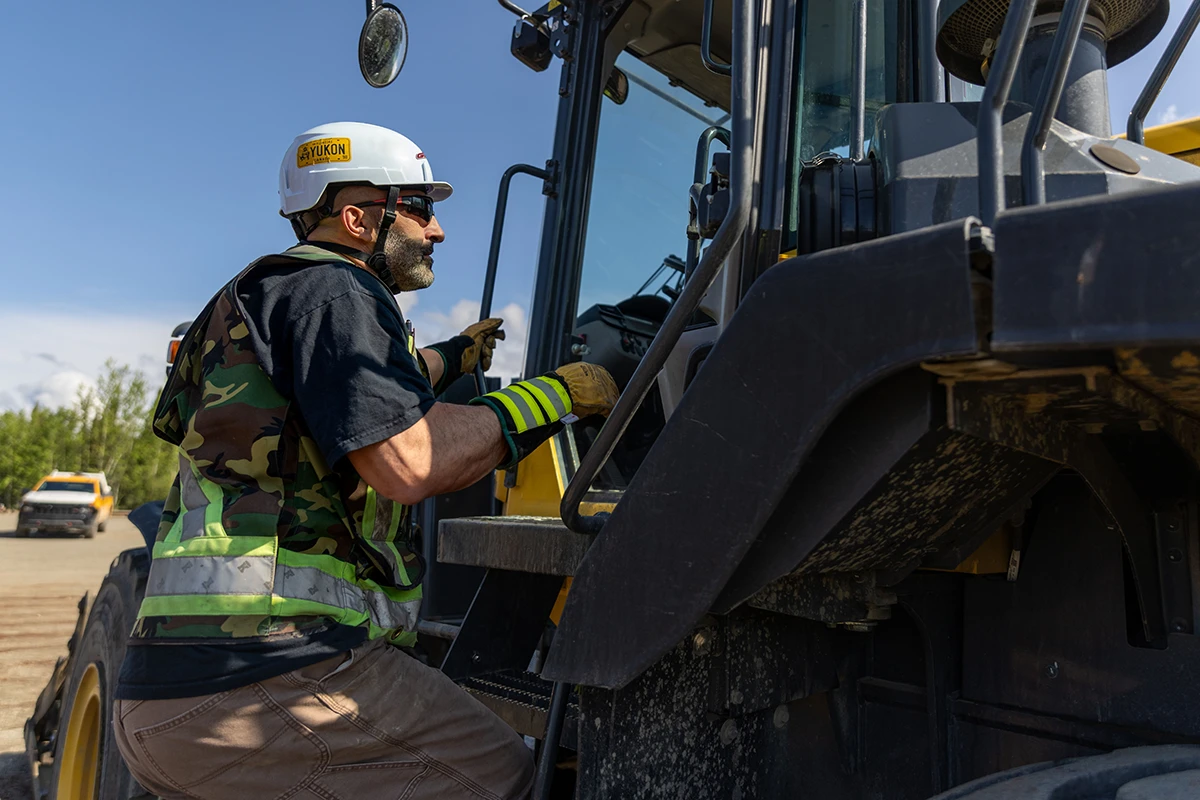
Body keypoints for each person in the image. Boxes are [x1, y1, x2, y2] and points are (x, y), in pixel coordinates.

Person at [111, 121, 618, 800]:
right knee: (505, 778)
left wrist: (460, 354)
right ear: (357, 217)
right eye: (420, 208)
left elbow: (361, 388)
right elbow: (411, 461)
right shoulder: (340, 293)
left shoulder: (258, 296)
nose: (435, 231)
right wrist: (554, 396)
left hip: (164, 695)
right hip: (271, 673)